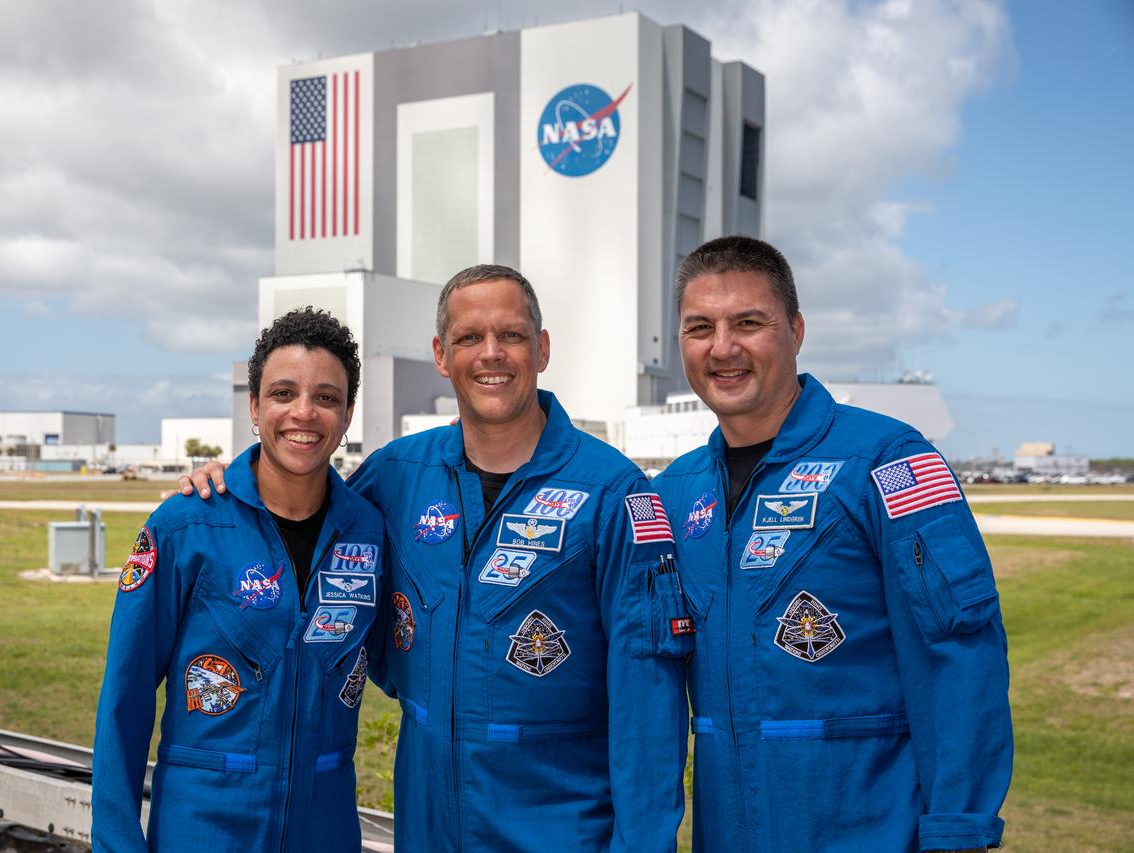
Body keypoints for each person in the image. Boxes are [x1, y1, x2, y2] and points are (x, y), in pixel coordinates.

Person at [181, 265, 691, 852]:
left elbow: (649, 712)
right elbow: (300, 505)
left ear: (542, 348)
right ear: (441, 356)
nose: (491, 354)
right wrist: (227, 477)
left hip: (562, 832)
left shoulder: (611, 493)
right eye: (469, 338)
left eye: (512, 335)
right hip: (426, 829)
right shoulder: (396, 475)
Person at [653, 236, 1012, 852]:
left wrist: (959, 828)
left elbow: (957, 651)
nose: (723, 347)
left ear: (795, 330)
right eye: (700, 327)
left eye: (749, 323)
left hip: (867, 830)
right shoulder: (675, 491)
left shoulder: (888, 460)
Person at [92, 308, 386, 852]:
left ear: (347, 417)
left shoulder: (369, 532)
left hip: (324, 829)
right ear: (254, 407)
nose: (304, 412)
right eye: (282, 393)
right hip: (204, 827)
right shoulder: (185, 527)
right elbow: (124, 700)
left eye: (326, 397)